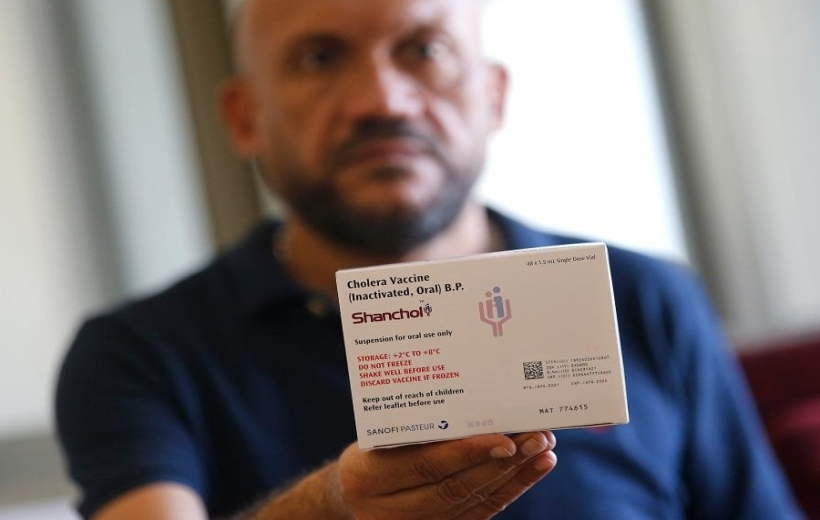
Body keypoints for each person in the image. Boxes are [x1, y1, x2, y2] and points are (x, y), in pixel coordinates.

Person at [54, 0, 802, 518]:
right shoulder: (138, 354)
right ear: (244, 117)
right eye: (319, 57)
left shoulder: (643, 296)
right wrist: (335, 510)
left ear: (494, 95)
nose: (383, 100)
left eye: (425, 50)